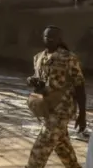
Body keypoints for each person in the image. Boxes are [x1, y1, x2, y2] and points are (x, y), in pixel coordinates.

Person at [26, 25, 86, 168]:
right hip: (47, 107)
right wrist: (31, 80)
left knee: (40, 149)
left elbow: (79, 85)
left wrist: (82, 114)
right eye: (47, 36)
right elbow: (39, 78)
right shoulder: (38, 57)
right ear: (43, 37)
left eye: (54, 36)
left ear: (60, 39)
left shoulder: (69, 58)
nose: (50, 39)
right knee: (63, 147)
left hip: (62, 109)